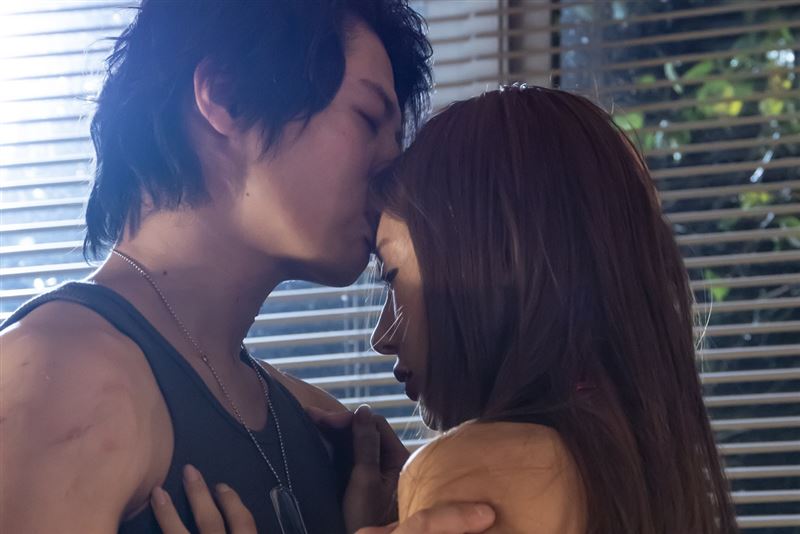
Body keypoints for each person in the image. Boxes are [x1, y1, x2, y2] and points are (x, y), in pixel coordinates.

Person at [0, 1, 495, 533]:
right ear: (227, 96)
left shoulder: (321, 428)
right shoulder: (60, 376)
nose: (390, 170)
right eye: (368, 119)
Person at [155, 85, 739, 533]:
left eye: (393, 276)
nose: (382, 336)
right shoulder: (642, 464)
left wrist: (438, 480)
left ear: (490, 261)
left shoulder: (480, 467)